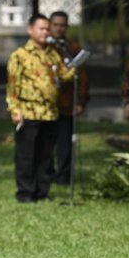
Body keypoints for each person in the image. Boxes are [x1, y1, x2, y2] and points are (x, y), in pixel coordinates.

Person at [6, 14, 75, 202]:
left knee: (46, 156)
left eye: (47, 29)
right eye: (41, 28)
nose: (45, 32)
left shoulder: (53, 54)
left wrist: (75, 65)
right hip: (28, 112)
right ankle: (26, 193)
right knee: (27, 155)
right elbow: (13, 85)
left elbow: (64, 76)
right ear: (30, 30)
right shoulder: (20, 55)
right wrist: (15, 109)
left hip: (50, 113)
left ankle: (42, 191)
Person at [48, 11, 90, 185]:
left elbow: (83, 77)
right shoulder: (44, 47)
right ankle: (46, 175)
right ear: (50, 26)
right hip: (47, 105)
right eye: (55, 25)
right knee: (47, 143)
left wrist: (81, 101)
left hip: (67, 103)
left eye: (62, 25)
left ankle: (63, 177)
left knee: (65, 144)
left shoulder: (72, 48)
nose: (59, 28)